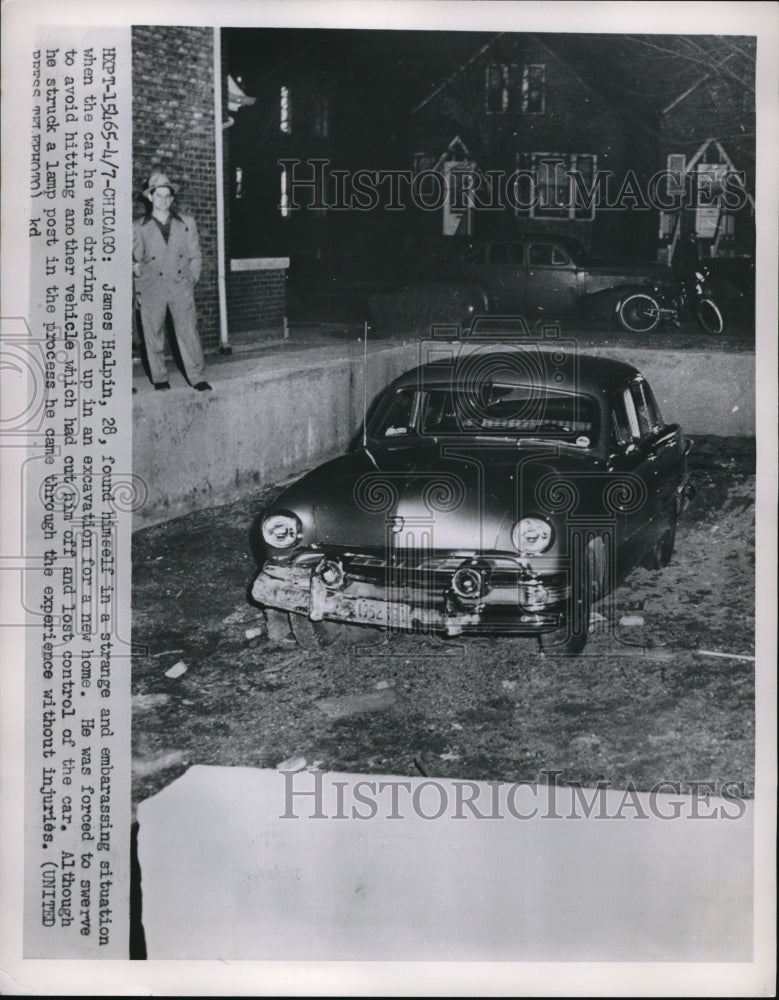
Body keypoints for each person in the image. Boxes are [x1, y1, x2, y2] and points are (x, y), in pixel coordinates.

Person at [132, 171, 212, 391]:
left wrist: (192, 278)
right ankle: (160, 378)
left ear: (172, 198)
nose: (164, 200)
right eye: (159, 195)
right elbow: (130, 257)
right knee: (153, 335)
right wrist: (135, 272)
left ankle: (197, 377)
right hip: (152, 287)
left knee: (188, 331)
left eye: (168, 196)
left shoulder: (186, 222)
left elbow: (195, 255)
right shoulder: (138, 226)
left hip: (179, 286)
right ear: (150, 197)